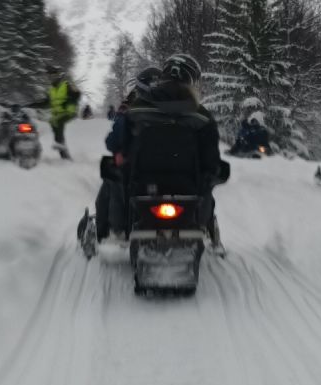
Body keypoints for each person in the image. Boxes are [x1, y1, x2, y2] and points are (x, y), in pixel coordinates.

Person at [109, 53, 223, 248]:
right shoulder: (202, 116)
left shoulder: (137, 109)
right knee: (209, 183)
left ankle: (117, 229)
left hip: (143, 184)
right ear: (192, 80)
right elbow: (211, 157)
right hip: (188, 187)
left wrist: (121, 153)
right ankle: (204, 226)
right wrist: (212, 173)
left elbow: (118, 143)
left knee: (112, 178)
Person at [91, 66, 161, 241]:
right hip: (174, 170)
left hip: (137, 170)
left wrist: (120, 150)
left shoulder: (131, 113)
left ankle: (113, 229)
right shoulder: (178, 113)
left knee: (112, 180)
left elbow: (113, 142)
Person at [24, 64, 82, 159]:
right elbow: (46, 103)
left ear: (58, 75)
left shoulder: (66, 85)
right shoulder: (51, 90)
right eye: (49, 76)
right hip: (59, 114)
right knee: (52, 122)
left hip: (69, 111)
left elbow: (77, 94)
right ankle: (63, 152)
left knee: (57, 122)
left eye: (54, 76)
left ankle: (59, 144)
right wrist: (31, 105)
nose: (51, 78)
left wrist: (67, 103)